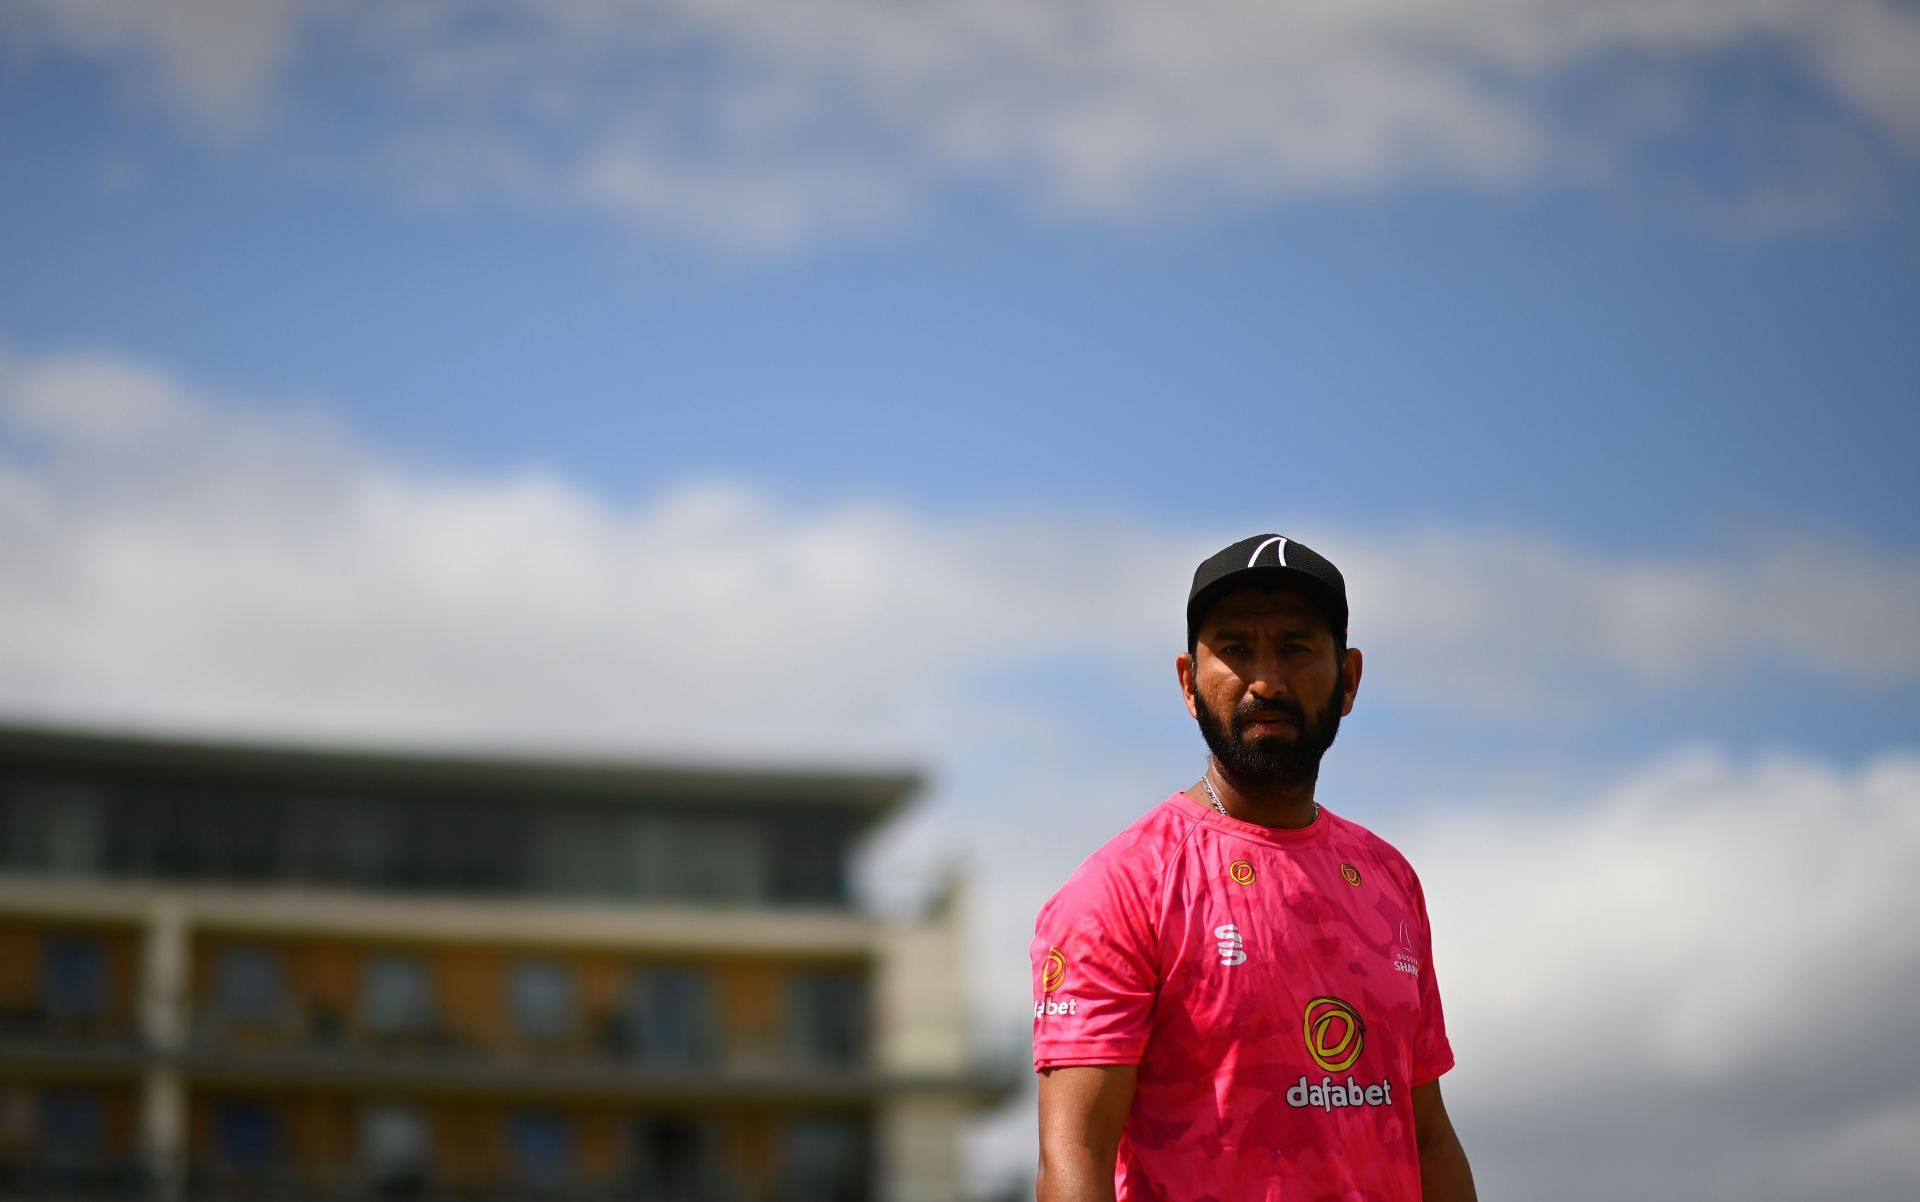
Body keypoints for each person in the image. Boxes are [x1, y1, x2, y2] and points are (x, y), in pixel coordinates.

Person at [1031, 534, 1476, 1201]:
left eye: (1296, 648)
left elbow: (1428, 1135)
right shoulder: (1123, 887)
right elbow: (1075, 1153)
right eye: (1236, 649)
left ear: (1349, 679)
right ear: (1188, 682)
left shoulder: (1390, 880)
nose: (1266, 681)